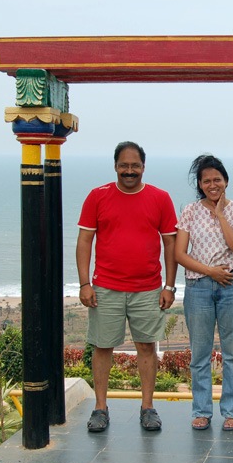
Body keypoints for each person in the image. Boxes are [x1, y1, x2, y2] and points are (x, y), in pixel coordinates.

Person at [76, 141, 178, 432]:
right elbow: (85, 241)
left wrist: (169, 286)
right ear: (115, 166)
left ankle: (147, 407)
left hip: (147, 288)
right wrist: (85, 283)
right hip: (106, 286)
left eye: (135, 166)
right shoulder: (98, 196)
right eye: (124, 165)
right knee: (103, 346)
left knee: (146, 346)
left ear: (143, 167)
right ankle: (100, 408)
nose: (129, 171)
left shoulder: (160, 198)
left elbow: (170, 243)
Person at [175, 154, 233, 431]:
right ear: (200, 184)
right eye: (206, 181)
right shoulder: (190, 212)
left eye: (217, 179)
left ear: (226, 181)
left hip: (232, 285)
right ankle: (202, 411)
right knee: (200, 354)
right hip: (199, 287)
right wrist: (210, 271)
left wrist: (220, 214)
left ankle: (232, 411)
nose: (212, 185)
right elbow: (179, 254)